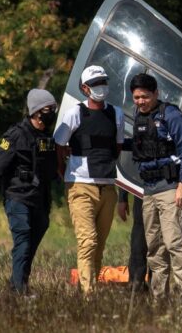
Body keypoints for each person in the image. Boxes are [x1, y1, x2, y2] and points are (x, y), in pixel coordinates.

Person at [0, 89, 58, 295]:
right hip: (18, 197)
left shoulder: (47, 137)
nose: (52, 113)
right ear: (36, 111)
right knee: (23, 239)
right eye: (48, 109)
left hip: (40, 199)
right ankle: (20, 291)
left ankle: (16, 284)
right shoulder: (15, 135)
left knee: (31, 242)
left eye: (53, 109)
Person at [54, 65, 124, 295]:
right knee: (88, 241)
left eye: (103, 82)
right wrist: (64, 172)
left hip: (108, 187)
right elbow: (59, 145)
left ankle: (90, 287)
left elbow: (118, 146)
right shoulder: (75, 113)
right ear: (85, 89)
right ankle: (88, 294)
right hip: (81, 186)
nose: (100, 87)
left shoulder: (116, 114)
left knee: (99, 245)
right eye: (95, 84)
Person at [129, 73, 182, 301]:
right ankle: (159, 298)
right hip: (148, 190)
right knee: (155, 248)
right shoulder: (139, 117)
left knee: (175, 243)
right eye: (136, 97)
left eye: (145, 97)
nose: (140, 101)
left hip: (171, 189)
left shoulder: (171, 116)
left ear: (156, 93)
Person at [117, 190, 150, 292]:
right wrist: (122, 198)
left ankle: (157, 290)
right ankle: (135, 286)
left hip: (165, 191)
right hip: (141, 194)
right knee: (138, 243)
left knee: (158, 247)